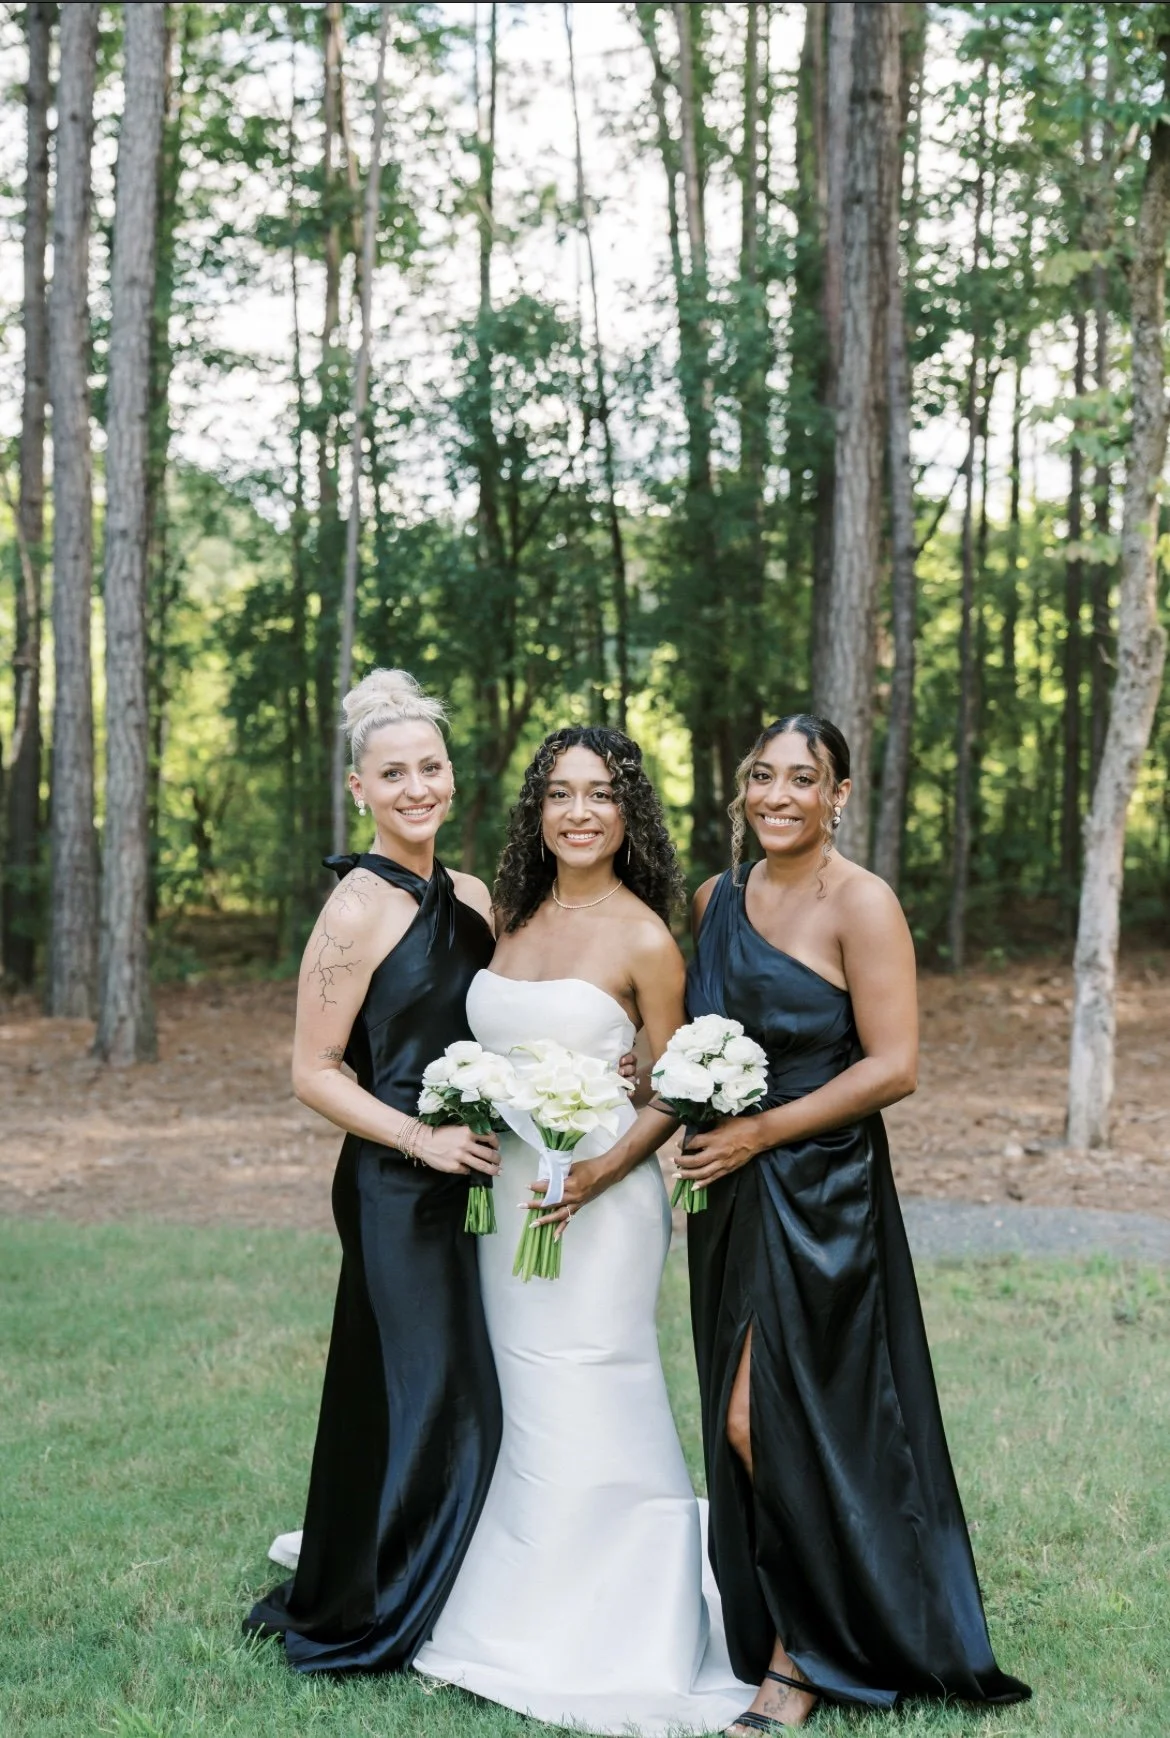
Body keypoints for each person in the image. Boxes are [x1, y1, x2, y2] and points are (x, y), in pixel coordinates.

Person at [675, 714, 1031, 1731]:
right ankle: (823, 1614)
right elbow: (698, 1032)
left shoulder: (863, 903)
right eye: (761, 775)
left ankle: (800, 1658)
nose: (777, 795)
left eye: (803, 778)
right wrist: (652, 1076)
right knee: (742, 1415)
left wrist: (764, 1131)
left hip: (823, 1193)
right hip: (727, 1195)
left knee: (777, 1418)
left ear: (838, 794)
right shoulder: (714, 898)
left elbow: (894, 1065)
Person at [412, 726, 753, 1736]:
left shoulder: (646, 936)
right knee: (522, 1384)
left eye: (599, 794)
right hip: (511, 1190)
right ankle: (517, 1592)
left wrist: (600, 1170)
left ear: (626, 811)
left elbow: (675, 1082)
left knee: (592, 1377)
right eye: (559, 793)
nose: (577, 812)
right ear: (538, 809)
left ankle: (612, 1620)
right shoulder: (509, 917)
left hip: (600, 1204)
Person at [245, 668, 504, 1671]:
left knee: (436, 1385)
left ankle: (428, 1568)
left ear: (450, 774)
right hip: (397, 1183)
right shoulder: (354, 910)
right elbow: (310, 1071)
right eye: (392, 773)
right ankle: (387, 1599)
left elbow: (496, 1023)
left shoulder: (474, 895)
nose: (416, 788)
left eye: (430, 767)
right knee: (431, 1389)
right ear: (360, 789)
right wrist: (416, 1137)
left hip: (474, 1174)